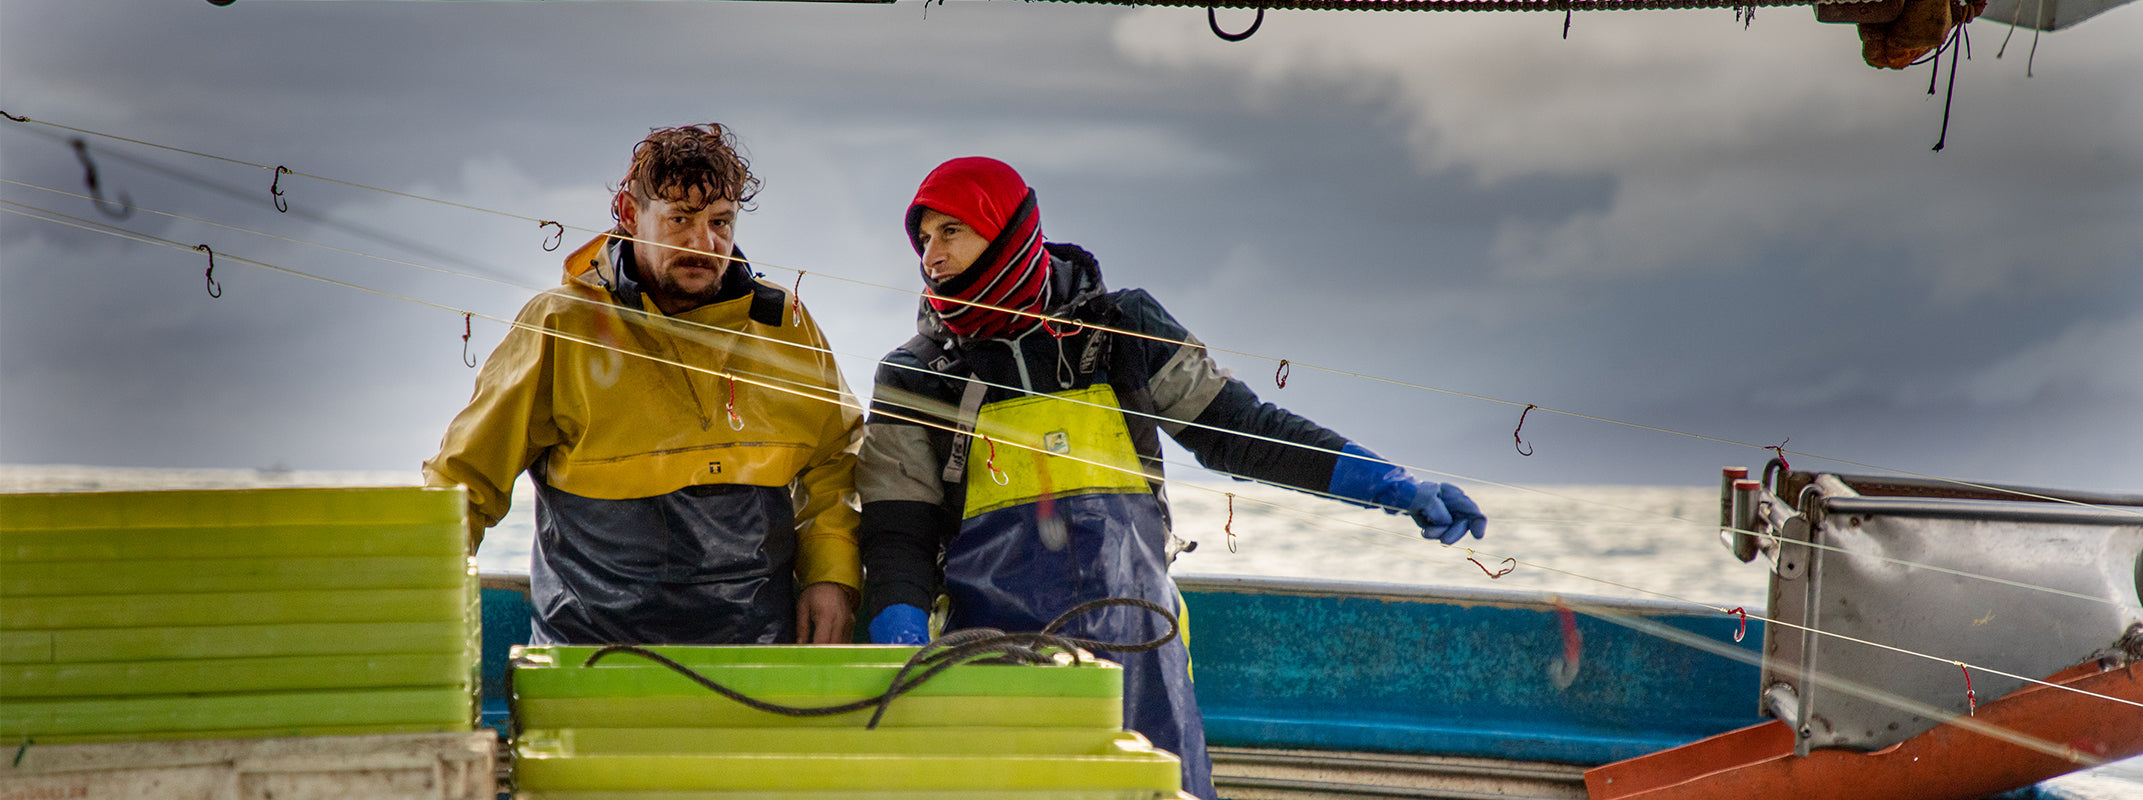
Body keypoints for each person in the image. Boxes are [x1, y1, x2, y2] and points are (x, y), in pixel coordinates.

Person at [855, 157, 1488, 800]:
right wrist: (901, 651)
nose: (931, 254)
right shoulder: (913, 374)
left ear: (1009, 232)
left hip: (1145, 658)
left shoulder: (1125, 328)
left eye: (951, 231)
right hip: (994, 668)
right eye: (924, 238)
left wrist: (1387, 483)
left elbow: (1241, 431)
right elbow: (896, 535)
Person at [425, 123, 862, 646]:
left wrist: (831, 576)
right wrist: (423, 595)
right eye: (681, 219)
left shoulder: (785, 323)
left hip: (758, 653)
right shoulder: (560, 324)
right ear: (631, 214)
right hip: (592, 656)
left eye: (721, 222)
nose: (705, 243)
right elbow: (465, 480)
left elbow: (835, 465)